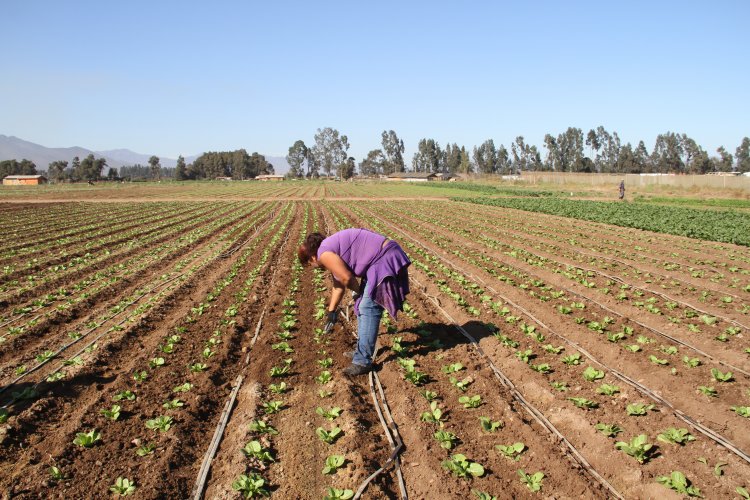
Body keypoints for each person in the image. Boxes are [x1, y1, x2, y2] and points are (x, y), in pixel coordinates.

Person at [298, 228, 411, 376]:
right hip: (379, 260)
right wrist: (331, 311)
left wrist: (357, 291)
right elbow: (338, 286)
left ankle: (363, 361)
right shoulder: (329, 250)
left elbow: (346, 278)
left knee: (368, 307)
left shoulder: (323, 254)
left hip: (384, 257)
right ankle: (361, 351)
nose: (313, 268)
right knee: (362, 306)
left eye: (309, 265)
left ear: (312, 258)